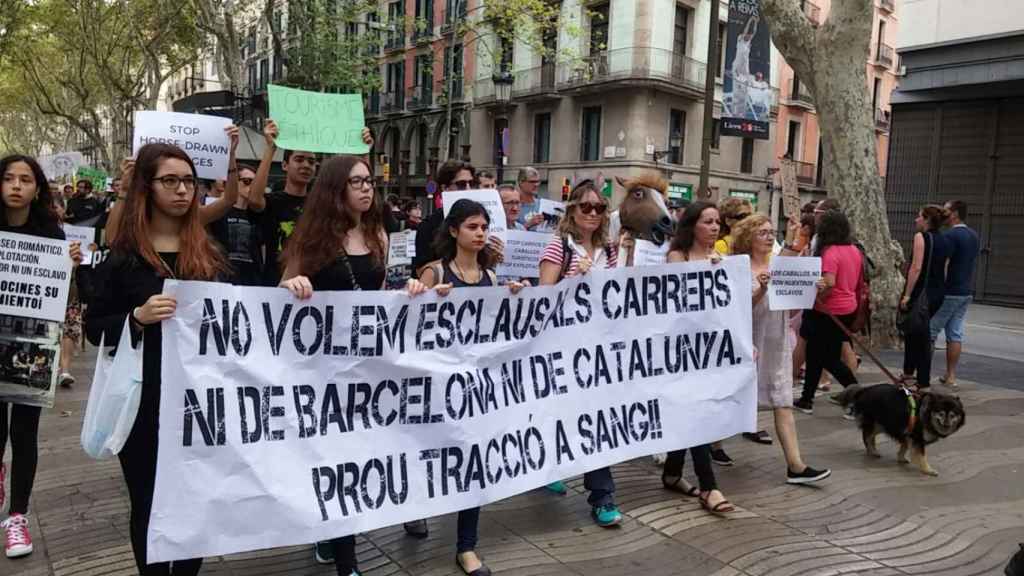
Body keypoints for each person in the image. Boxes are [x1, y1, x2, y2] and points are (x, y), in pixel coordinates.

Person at [84, 135, 239, 575]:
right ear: (146, 188)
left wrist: (291, 291)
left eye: (189, 180)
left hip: (200, 405)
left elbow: (242, 316)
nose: (182, 190)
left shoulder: (211, 254)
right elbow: (96, 328)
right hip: (143, 404)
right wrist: (135, 317)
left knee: (195, 504)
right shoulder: (124, 258)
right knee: (149, 505)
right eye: (169, 180)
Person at [278, 155, 387, 576]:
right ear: (335, 188)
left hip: (364, 369)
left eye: (369, 180)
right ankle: (347, 561)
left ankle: (334, 535)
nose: (366, 188)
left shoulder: (378, 234)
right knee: (336, 459)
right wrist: (292, 284)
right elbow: (279, 294)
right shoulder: (312, 241)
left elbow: (381, 297)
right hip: (321, 371)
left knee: (353, 460)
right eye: (356, 181)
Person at [405, 199, 526, 576]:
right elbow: (408, 326)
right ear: (454, 230)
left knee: (473, 461)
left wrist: (515, 299)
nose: (480, 233)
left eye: (484, 227)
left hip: (473, 390)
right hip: (436, 388)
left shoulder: (491, 278)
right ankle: (416, 509)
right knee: (429, 455)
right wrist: (419, 295)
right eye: (472, 226)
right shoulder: (434, 272)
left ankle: (467, 546)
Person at [0, 154, 83, 558]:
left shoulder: (52, 236)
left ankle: (17, 517)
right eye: (9, 178)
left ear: (37, 189)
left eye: (26, 180)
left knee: (25, 433)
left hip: (34, 347)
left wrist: (71, 266)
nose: (17, 186)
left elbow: (60, 292)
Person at [537, 178, 625, 526]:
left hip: (600, 349)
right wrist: (574, 276)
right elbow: (542, 299)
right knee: (560, 413)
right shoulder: (559, 246)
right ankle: (551, 467)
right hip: (563, 350)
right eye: (585, 206)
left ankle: (601, 495)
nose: (592, 213)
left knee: (596, 421)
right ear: (572, 209)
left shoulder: (613, 250)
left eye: (599, 208)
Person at [731, 214, 832, 484]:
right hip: (747, 341)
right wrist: (761, 291)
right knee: (732, 398)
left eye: (770, 232)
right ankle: (712, 446)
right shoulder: (738, 268)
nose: (768, 236)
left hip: (776, 341)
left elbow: (794, 307)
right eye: (762, 232)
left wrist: (815, 290)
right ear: (748, 236)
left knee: (783, 400)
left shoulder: (781, 266)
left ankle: (795, 465)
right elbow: (737, 310)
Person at [655, 201, 734, 514]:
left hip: (710, 350)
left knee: (693, 412)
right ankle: (709, 486)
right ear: (692, 226)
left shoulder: (722, 258)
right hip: (681, 350)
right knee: (697, 415)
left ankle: (673, 473)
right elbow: (678, 300)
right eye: (707, 222)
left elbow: (730, 307)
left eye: (717, 222)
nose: (714, 228)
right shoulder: (678, 256)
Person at [793, 210, 863, 414]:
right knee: (816, 354)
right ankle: (807, 399)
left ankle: (858, 397)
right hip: (847, 308)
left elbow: (830, 283)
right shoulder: (853, 249)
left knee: (827, 359)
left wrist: (814, 300)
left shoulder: (830, 252)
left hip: (827, 311)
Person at [930, 200, 979, 388]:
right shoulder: (973, 235)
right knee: (955, 334)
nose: (943, 214)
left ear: (955, 214)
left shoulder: (950, 236)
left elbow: (945, 263)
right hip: (965, 291)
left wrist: (938, 287)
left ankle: (921, 372)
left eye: (946, 210)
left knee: (930, 332)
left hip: (949, 290)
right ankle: (950, 375)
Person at [899, 205, 949, 389]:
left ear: (927, 219)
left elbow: (916, 267)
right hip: (937, 292)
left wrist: (907, 294)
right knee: (914, 332)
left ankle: (923, 380)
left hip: (921, 293)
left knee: (920, 336)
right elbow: (944, 269)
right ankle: (909, 372)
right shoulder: (945, 240)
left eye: (919, 216)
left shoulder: (921, 237)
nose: (916, 220)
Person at [412, 160, 477, 275]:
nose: (468, 189)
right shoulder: (428, 226)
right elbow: (420, 271)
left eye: (471, 184)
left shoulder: (482, 223)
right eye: (461, 185)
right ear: (445, 188)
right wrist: (457, 259)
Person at [208, 163, 267, 285]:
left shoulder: (261, 215)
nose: (252, 186)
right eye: (246, 181)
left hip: (253, 283)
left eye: (256, 183)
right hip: (223, 282)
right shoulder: (217, 212)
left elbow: (262, 250)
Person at [515, 167, 548, 231]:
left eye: (538, 181)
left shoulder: (543, 205)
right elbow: (509, 233)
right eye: (532, 181)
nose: (536, 184)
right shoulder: (514, 206)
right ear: (521, 183)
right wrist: (528, 225)